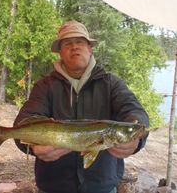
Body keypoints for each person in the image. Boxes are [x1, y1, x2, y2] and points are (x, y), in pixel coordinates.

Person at [14, 20, 149, 193]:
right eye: (67, 43)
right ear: (60, 52)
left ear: (90, 48)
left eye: (80, 42)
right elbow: (23, 123)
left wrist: (136, 139)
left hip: (102, 187)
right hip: (53, 187)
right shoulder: (44, 86)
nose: (74, 47)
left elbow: (134, 111)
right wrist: (32, 147)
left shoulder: (111, 83)